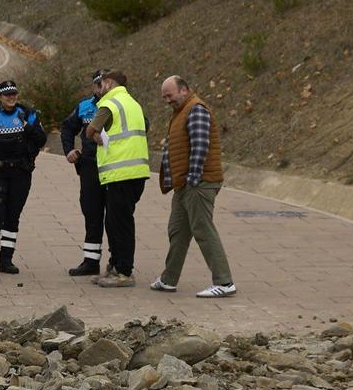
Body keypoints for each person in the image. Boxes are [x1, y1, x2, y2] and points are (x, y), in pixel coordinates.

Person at [149, 74, 237, 298]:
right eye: (164, 97)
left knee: (203, 229)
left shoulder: (196, 109)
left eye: (169, 95)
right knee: (177, 230)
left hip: (198, 183)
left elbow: (200, 145)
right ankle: (169, 279)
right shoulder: (181, 112)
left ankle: (224, 282)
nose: (167, 100)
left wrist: (193, 179)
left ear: (184, 90)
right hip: (185, 184)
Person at [0, 79, 45, 277]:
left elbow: (41, 140)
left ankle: (6, 261)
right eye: (7, 95)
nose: (11, 98)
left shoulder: (28, 115)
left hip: (20, 173)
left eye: (14, 94)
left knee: (13, 217)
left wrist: (27, 127)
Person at [84, 68, 151, 287]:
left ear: (110, 84)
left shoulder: (109, 104)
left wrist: (95, 136)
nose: (98, 88)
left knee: (119, 223)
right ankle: (115, 267)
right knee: (117, 221)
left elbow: (90, 130)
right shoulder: (133, 103)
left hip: (120, 172)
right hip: (136, 172)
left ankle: (123, 271)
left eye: (101, 84)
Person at [57, 73, 107, 277]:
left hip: (115, 167)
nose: (101, 87)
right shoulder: (85, 106)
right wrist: (69, 150)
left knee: (115, 217)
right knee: (91, 214)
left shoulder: (123, 105)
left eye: (105, 83)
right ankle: (90, 261)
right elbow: (67, 128)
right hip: (89, 167)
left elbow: (143, 125)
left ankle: (117, 262)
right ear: (93, 86)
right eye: (98, 84)